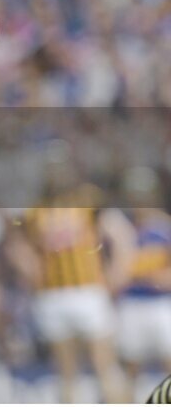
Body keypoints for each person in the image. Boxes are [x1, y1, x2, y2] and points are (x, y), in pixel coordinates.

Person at [5, 148, 132, 403]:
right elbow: (16, 245)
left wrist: (119, 271)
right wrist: (31, 269)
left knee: (103, 364)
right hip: (53, 293)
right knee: (66, 371)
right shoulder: (35, 210)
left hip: (88, 289)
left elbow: (119, 233)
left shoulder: (88, 200)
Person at [114, 167, 171, 400]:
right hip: (132, 302)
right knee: (130, 366)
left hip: (161, 303)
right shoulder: (122, 229)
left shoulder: (166, 227)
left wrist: (157, 277)